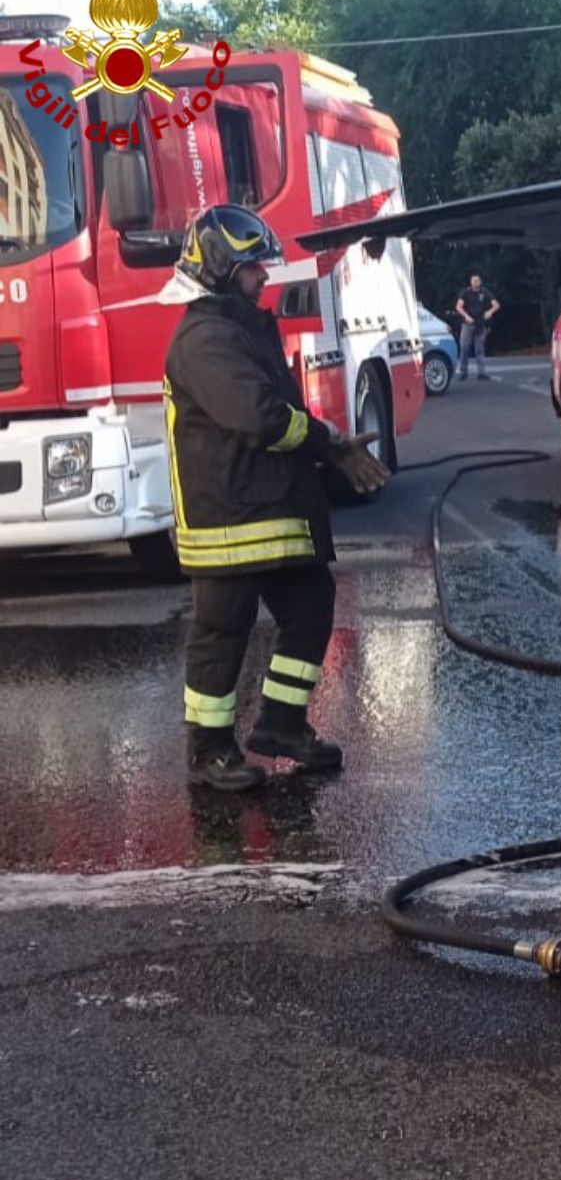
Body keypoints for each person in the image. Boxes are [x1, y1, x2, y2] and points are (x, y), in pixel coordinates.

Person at [161, 204, 390, 792]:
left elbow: (278, 414)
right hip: (226, 517)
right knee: (221, 630)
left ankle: (281, 727)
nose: (264, 276)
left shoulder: (239, 329)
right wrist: (330, 443)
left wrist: (325, 447)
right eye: (251, 268)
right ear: (217, 270)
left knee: (311, 605)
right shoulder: (204, 339)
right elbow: (261, 418)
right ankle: (208, 751)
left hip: (266, 511)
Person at [454, 273, 500, 381]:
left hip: (480, 323)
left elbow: (496, 305)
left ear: (480, 282)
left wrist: (490, 311)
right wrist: (466, 316)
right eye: (473, 280)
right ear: (470, 282)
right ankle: (463, 371)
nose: (475, 283)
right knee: (464, 348)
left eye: (477, 280)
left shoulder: (485, 292)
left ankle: (481, 372)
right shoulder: (465, 293)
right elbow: (458, 306)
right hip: (468, 324)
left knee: (479, 349)